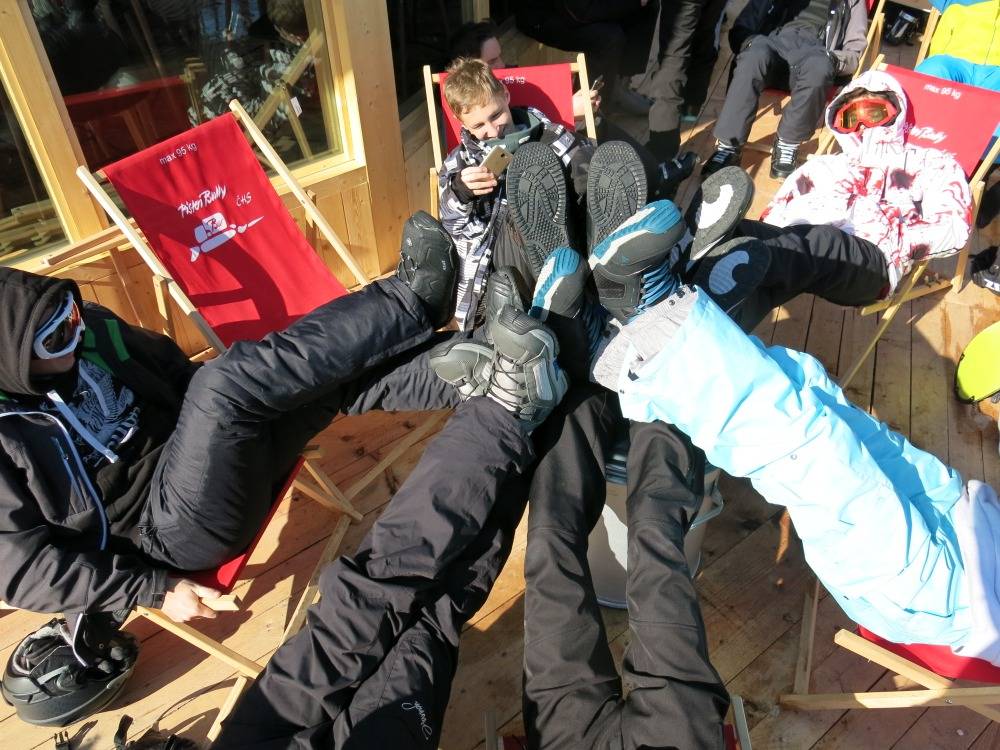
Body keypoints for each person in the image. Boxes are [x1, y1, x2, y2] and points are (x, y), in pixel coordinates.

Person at [0, 211, 465, 726]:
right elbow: (18, 569)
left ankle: (482, 368)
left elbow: (174, 370)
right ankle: (412, 300)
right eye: (55, 338)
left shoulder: (91, 332)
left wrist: (225, 421)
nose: (75, 333)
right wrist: (153, 589)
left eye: (71, 316)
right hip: (164, 534)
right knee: (221, 388)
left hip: (207, 466)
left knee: (321, 384)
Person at [579, 281, 1000, 666]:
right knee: (814, 395)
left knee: (808, 456)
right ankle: (636, 346)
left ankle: (654, 329)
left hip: (956, 597)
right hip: (968, 514)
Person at [756, 69, 973, 298]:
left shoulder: (930, 164)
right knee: (753, 240)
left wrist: (893, 237)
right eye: (850, 118)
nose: (861, 125)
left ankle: (750, 262)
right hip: (802, 252)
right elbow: (773, 215)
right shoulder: (823, 166)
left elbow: (955, 228)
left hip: (873, 259)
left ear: (895, 111)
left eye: (873, 113)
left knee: (816, 242)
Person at [703, 0, 869, 179]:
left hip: (815, 54)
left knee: (820, 66)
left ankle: (788, 144)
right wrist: (751, 43)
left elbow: (854, 50)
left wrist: (832, 59)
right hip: (772, 48)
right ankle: (728, 147)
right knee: (754, 54)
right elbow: (743, 26)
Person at [513, 0, 658, 116]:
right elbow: (580, 13)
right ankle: (590, 108)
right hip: (546, 15)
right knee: (608, 38)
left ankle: (618, 86)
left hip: (578, 8)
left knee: (646, 8)